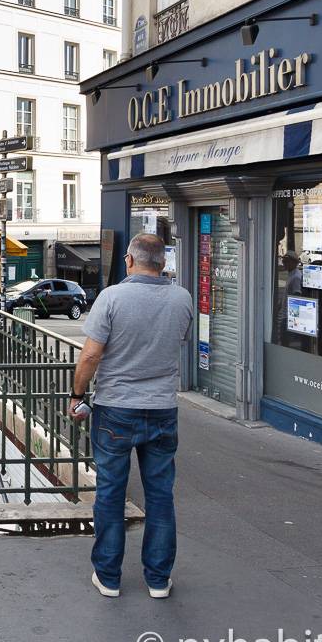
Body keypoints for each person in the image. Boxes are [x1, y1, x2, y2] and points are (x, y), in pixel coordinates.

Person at [68, 233, 194, 601]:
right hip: (163, 410)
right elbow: (176, 341)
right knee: (160, 496)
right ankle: (158, 580)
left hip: (115, 410)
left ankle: (109, 577)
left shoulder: (111, 298)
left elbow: (90, 356)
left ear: (129, 260)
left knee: (110, 492)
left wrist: (77, 395)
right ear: (163, 263)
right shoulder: (182, 298)